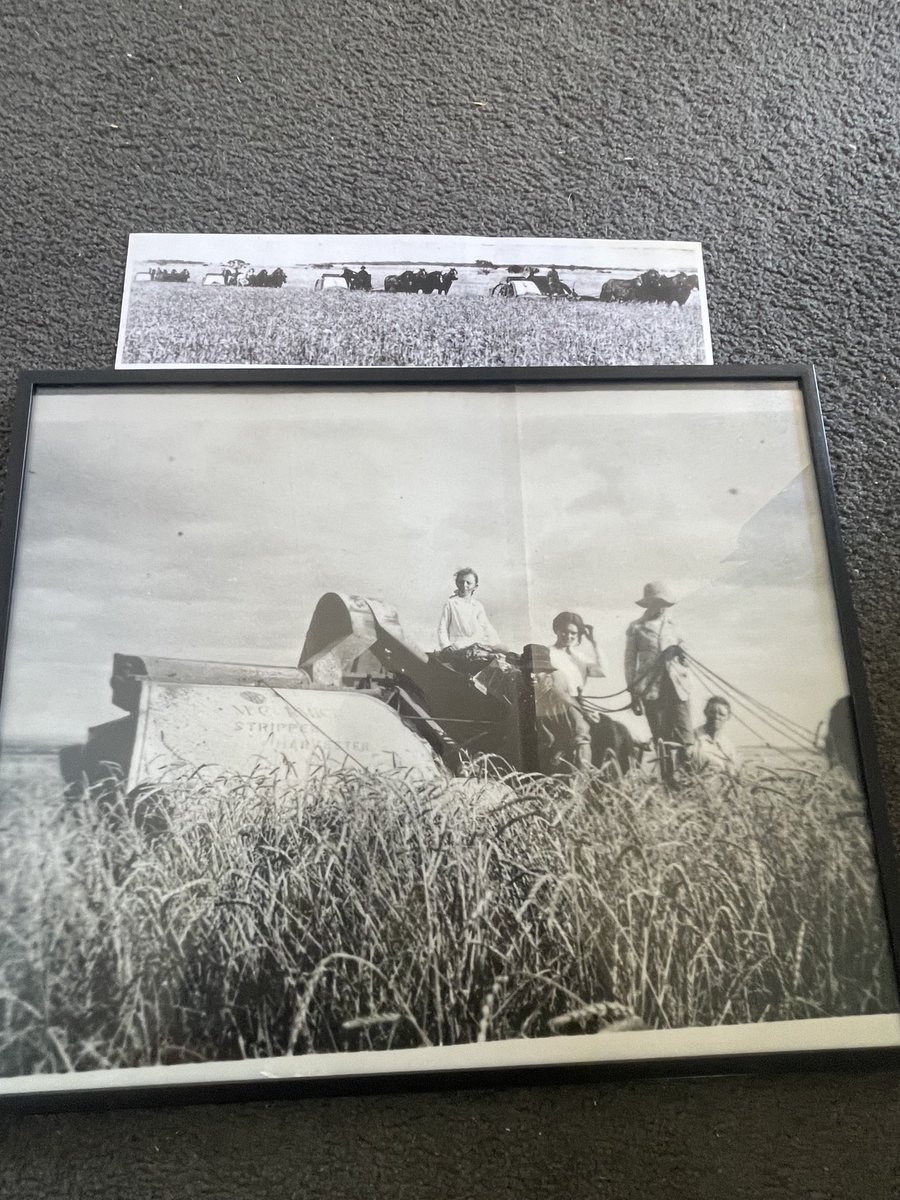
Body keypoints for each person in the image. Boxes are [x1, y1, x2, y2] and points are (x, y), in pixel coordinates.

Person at [624, 581, 693, 781]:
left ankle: (689, 782)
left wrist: (680, 653)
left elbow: (687, 658)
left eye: (663, 603)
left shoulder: (675, 626)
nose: (659, 607)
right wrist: (633, 692)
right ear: (648, 604)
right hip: (651, 689)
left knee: (685, 737)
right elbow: (629, 662)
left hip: (678, 688)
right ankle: (668, 782)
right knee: (662, 739)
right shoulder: (636, 628)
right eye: (655, 603)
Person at [518, 644, 591, 777]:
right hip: (535, 774)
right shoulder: (526, 701)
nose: (532, 675)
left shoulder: (561, 701)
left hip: (561, 775)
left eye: (537, 670)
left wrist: (579, 783)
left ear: (547, 673)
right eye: (528, 671)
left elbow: (581, 742)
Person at [437, 568, 500, 652]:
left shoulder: (477, 605)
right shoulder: (451, 603)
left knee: (503, 649)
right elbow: (442, 627)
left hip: (474, 644)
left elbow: (486, 627)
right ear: (456, 583)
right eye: (461, 582)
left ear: (475, 586)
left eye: (468, 583)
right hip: (456, 646)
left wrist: (494, 642)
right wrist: (445, 647)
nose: (464, 585)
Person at [548, 611, 608, 697]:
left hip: (578, 704)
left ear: (578, 634)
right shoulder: (548, 653)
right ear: (557, 630)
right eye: (564, 631)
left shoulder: (580, 657)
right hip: (555, 706)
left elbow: (602, 672)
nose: (568, 636)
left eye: (573, 633)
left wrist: (594, 642)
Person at [691, 696, 739, 775]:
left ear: (728, 717)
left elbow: (733, 773)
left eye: (721, 714)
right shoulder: (692, 738)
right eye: (712, 712)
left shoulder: (728, 745)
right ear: (705, 712)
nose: (716, 717)